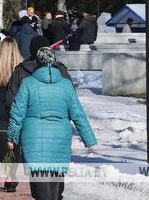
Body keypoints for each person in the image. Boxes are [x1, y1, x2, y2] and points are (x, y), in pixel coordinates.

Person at [7, 47, 97, 200]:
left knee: (39, 182)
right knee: (56, 180)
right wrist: (89, 139)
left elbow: (17, 112)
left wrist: (12, 137)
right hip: (60, 135)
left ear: (37, 62)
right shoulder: (66, 85)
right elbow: (78, 114)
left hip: (33, 136)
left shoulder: (28, 83)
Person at [0, 37, 24, 192]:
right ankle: (12, 174)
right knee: (15, 145)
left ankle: (9, 174)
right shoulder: (22, 67)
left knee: (1, 146)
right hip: (17, 110)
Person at [7, 37, 73, 112]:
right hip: (58, 118)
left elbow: (11, 100)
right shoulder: (60, 69)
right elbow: (71, 99)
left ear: (31, 49)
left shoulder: (21, 70)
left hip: (28, 119)